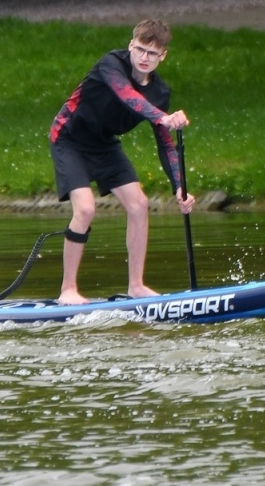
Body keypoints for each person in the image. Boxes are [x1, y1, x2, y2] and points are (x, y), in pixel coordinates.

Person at [50, 19, 195, 305]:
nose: (144, 58)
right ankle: (68, 290)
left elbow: (166, 144)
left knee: (139, 204)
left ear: (163, 56)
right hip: (68, 138)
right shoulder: (111, 65)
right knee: (86, 209)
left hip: (104, 144)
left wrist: (179, 187)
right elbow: (127, 97)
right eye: (140, 49)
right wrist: (161, 116)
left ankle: (136, 286)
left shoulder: (160, 93)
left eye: (152, 54)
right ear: (131, 45)